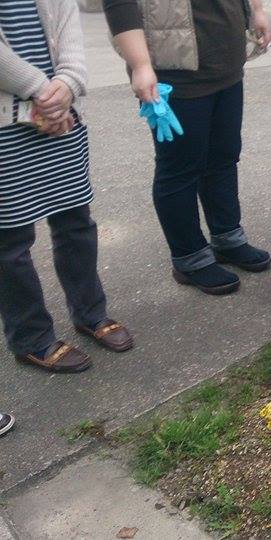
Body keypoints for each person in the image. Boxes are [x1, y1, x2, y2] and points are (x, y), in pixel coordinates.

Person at [104, 0, 271, 295]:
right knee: (180, 168)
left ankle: (227, 237)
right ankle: (189, 257)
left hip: (226, 60)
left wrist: (257, 10)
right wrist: (141, 65)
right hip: (175, 71)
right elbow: (119, 4)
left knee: (223, 156)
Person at [1, 0, 133, 373]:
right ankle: (30, 336)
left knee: (76, 222)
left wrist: (66, 87)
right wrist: (43, 90)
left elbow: (72, 40)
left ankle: (90, 312)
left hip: (61, 115)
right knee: (10, 243)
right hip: (7, 124)